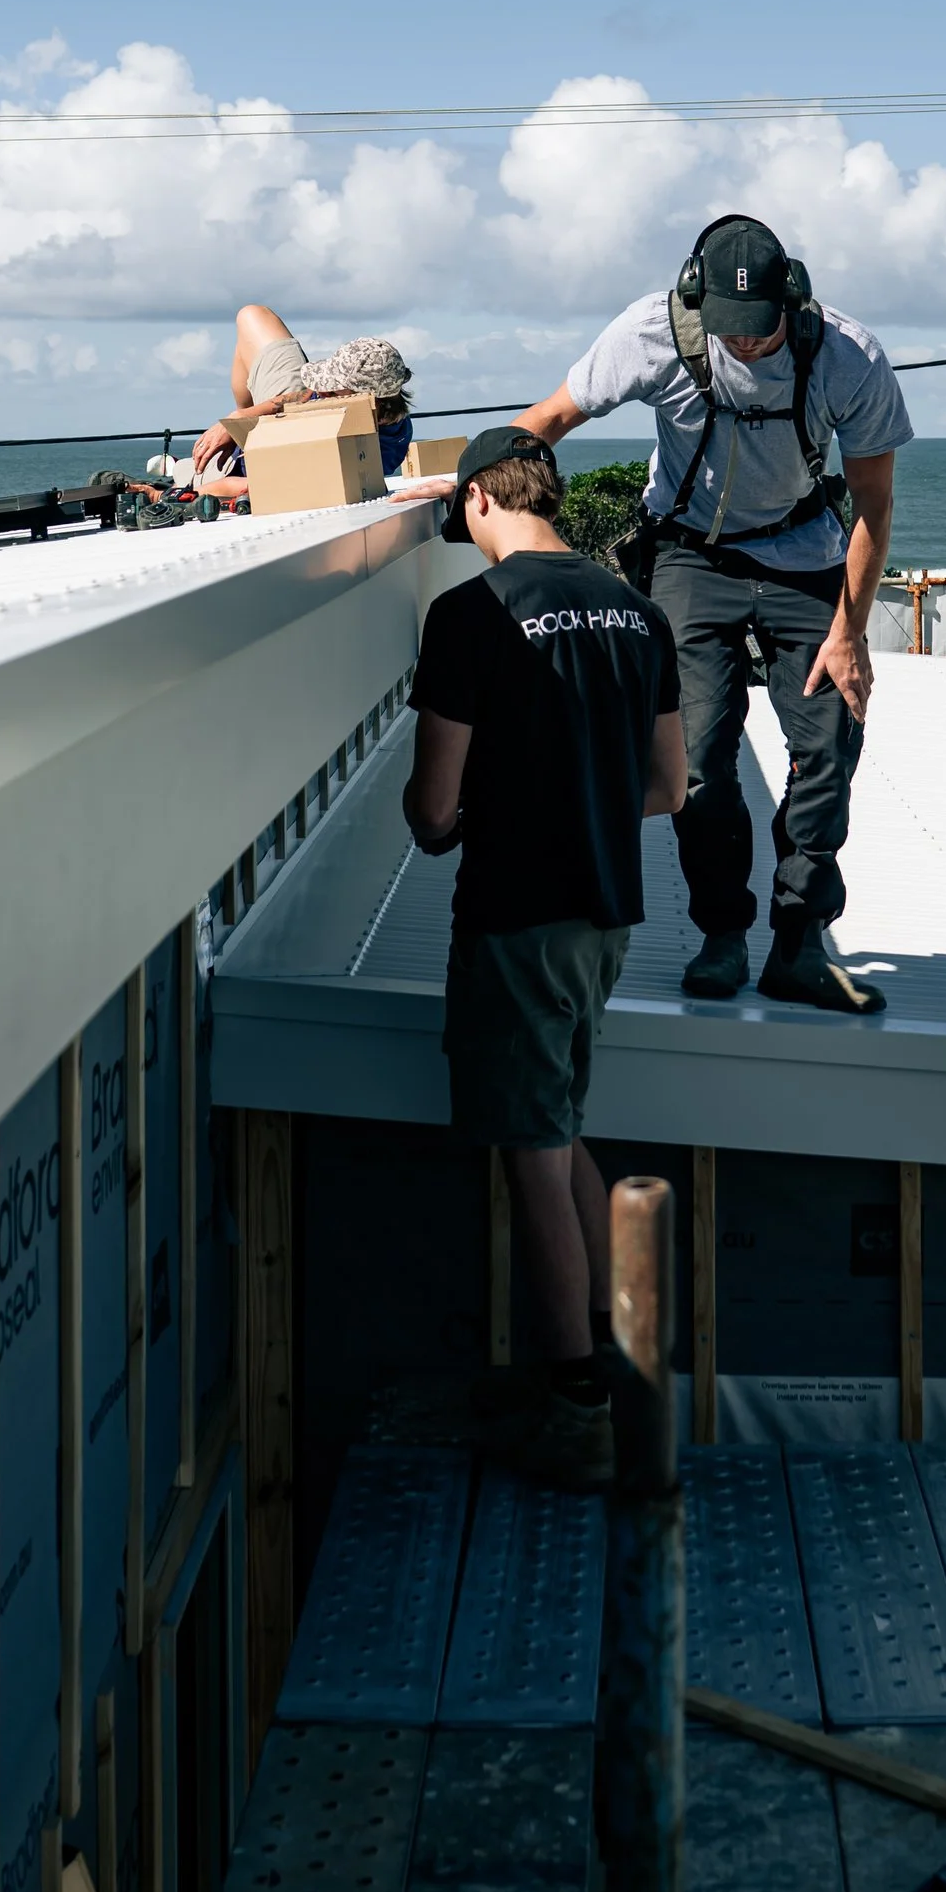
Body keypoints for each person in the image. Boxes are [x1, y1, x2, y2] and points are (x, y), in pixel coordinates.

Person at [518, 214, 907, 1016]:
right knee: (698, 757)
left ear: (791, 300)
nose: (747, 347)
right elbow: (547, 421)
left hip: (804, 552)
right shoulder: (650, 334)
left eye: (761, 330)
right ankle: (722, 933)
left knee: (830, 741)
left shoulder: (848, 355)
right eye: (730, 333)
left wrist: (850, 634)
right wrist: (469, 483)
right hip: (692, 553)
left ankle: (798, 942)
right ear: (696, 302)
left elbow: (873, 500)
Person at [403, 424, 687, 1487]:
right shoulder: (638, 609)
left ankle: (575, 1402)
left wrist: (458, 814)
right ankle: (623, 1346)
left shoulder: (469, 615)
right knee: (558, 1124)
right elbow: (667, 788)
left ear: (479, 500)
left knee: (528, 1151)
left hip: (515, 914)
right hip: (608, 912)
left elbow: (433, 811)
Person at [189, 309, 414, 493]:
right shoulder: (382, 413)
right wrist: (239, 420)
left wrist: (164, 496)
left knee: (190, 475)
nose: (321, 392)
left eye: (331, 391)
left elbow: (246, 488)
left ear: (369, 400)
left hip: (232, 472)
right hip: (278, 435)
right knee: (252, 316)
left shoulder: (351, 455)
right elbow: (305, 394)